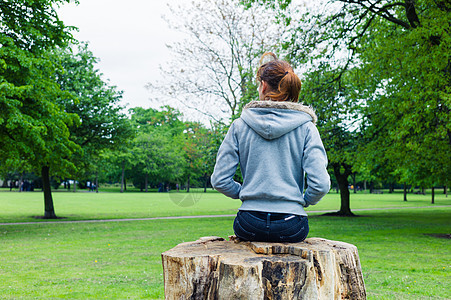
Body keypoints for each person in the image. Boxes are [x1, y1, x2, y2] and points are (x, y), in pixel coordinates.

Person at [211, 52, 330, 243]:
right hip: (291, 223)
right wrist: (302, 201)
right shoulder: (307, 128)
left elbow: (219, 180)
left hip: (248, 224)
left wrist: (247, 194)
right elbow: (321, 184)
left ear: (263, 86)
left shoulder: (239, 125)